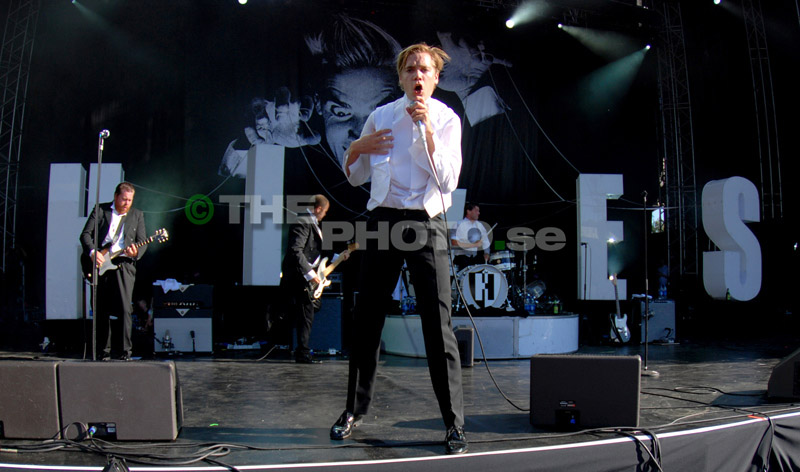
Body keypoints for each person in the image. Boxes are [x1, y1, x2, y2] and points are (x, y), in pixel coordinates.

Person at [330, 43, 467, 455]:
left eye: (424, 70)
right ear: (401, 77)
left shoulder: (447, 119)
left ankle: (454, 423)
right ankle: (353, 410)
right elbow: (355, 177)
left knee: (437, 324)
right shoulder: (380, 116)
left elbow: (448, 180)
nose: (417, 76)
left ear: (436, 78)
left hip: (426, 221)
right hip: (383, 220)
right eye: (410, 69)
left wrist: (427, 133)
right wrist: (355, 149)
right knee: (367, 319)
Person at [79, 182, 147, 361]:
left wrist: (136, 252)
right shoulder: (100, 210)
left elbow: (142, 242)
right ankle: (103, 351)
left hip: (124, 263)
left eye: (130, 200)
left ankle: (125, 352)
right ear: (116, 197)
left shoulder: (137, 215)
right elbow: (85, 235)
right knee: (100, 308)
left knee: (125, 308)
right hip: (101, 262)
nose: (126, 203)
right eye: (124, 199)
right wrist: (93, 253)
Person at [279, 194, 346, 364]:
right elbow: (296, 250)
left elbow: (318, 250)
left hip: (306, 275)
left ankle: (301, 346)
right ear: (318, 209)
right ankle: (302, 352)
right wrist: (310, 273)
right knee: (306, 312)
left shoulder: (312, 223)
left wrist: (338, 257)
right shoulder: (303, 221)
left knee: (310, 309)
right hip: (299, 275)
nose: (325, 215)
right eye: (324, 211)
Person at [451, 202, 490, 269]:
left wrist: (486, 253)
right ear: (468, 211)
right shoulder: (458, 224)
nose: (478, 213)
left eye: (479, 211)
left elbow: (485, 240)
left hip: (475, 258)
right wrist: (473, 244)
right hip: (461, 258)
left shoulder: (479, 225)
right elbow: (454, 243)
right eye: (476, 211)